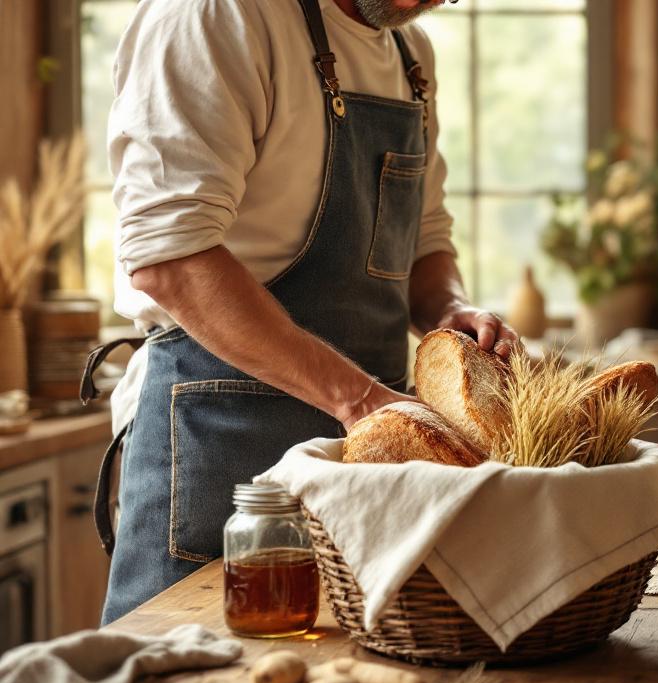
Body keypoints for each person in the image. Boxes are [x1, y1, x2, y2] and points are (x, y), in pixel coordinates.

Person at [97, 0, 515, 623]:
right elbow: (171, 260)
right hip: (223, 454)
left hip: (366, 464)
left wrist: (446, 307)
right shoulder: (218, 16)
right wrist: (362, 402)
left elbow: (425, 233)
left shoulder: (410, 54)